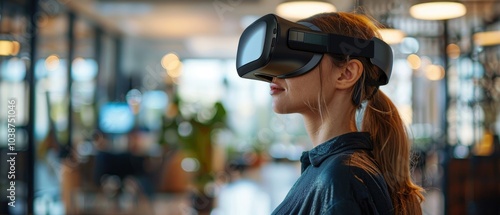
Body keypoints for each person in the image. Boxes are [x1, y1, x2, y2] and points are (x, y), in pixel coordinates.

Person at [237, 12, 425, 215]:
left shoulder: (342, 177)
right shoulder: (329, 169)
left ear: (346, 74)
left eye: (295, 56)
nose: (274, 74)